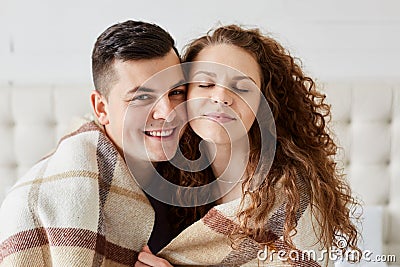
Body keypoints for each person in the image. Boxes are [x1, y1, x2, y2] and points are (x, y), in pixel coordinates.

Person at [140, 25, 361, 266]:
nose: (221, 97)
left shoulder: (294, 196)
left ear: (264, 103)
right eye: (205, 84)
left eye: (241, 87)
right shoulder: (169, 179)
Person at [0, 20, 189, 266]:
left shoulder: (200, 174)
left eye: (176, 92)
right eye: (142, 97)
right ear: (101, 108)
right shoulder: (34, 204)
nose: (168, 112)